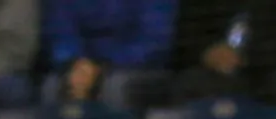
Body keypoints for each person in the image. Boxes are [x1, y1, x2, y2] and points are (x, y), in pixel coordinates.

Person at [43, 0, 177, 101]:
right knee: (52, 85)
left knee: (114, 86)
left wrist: (102, 67)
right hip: (83, 63)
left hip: (137, 67)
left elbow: (154, 41)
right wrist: (75, 61)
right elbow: (61, 31)